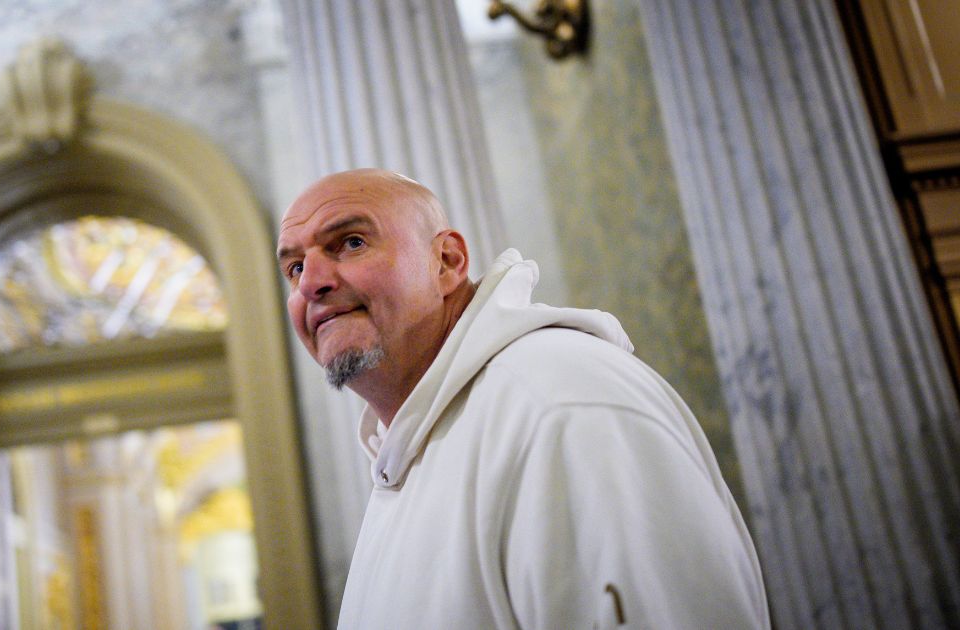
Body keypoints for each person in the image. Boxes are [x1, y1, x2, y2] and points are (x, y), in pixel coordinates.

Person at [276, 168, 769, 629]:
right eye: (295, 268)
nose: (312, 284)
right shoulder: (417, 444)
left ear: (446, 262)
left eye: (351, 243)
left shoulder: (559, 403)